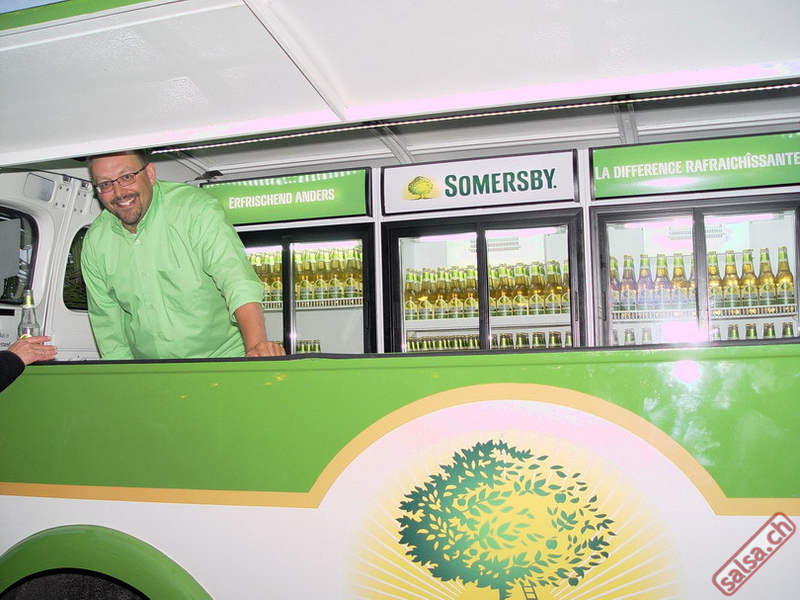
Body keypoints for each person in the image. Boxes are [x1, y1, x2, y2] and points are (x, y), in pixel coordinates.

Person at [81, 150, 285, 360]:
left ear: (150, 174)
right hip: (151, 371)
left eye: (126, 177)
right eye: (105, 184)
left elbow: (236, 280)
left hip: (222, 360)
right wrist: (126, 376)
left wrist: (256, 346)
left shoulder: (195, 209)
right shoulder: (95, 242)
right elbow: (109, 329)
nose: (118, 192)